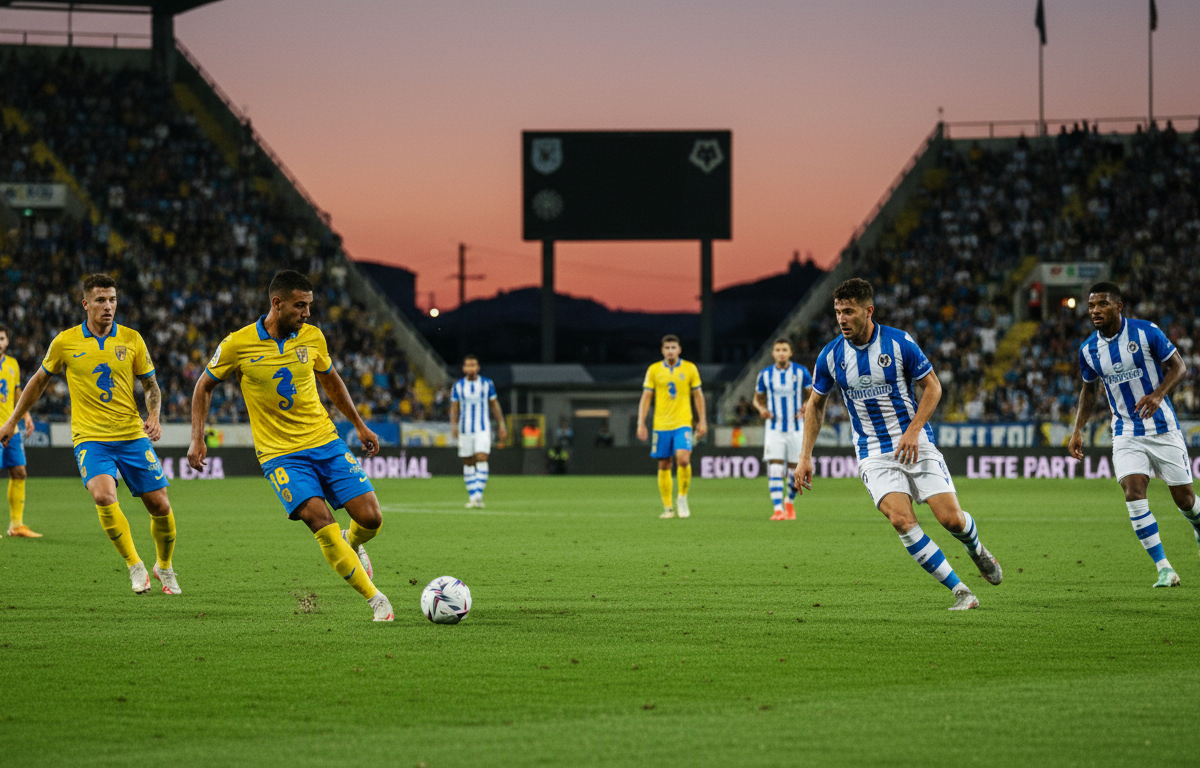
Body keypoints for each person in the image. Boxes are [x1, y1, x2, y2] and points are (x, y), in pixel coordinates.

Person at [188, 270, 393, 621]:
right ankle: (376, 600)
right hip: (281, 455)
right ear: (277, 303)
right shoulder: (237, 344)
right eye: (300, 306)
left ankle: (353, 541)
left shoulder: (313, 337)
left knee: (371, 519)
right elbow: (203, 386)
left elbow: (331, 381)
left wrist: (359, 425)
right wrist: (197, 438)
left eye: (309, 306)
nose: (307, 313)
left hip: (325, 442)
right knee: (322, 523)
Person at [795, 278, 1002, 610]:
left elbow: (933, 388)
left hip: (915, 442)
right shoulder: (831, 356)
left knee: (951, 520)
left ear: (868, 311)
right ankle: (961, 591)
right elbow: (815, 405)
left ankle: (975, 548)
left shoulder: (898, 342)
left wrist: (913, 430)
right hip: (872, 452)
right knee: (901, 520)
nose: (842, 319)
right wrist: (804, 456)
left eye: (849, 311)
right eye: (838, 312)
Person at [0, 274, 180, 594]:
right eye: (100, 300)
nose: (108, 306)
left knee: (161, 506)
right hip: (91, 438)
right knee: (103, 496)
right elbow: (38, 382)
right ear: (86, 304)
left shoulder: (132, 339)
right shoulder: (65, 342)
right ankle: (135, 565)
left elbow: (151, 385)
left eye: (112, 300)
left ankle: (164, 567)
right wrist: (13, 420)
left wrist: (154, 415)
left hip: (131, 435)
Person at [1068, 282, 1198, 588]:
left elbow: (1179, 368)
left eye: (1102, 304)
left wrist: (1158, 395)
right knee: (1133, 492)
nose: (1095, 311)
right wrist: (1077, 429)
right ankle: (1164, 568)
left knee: (1185, 501)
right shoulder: (1088, 349)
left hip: (1163, 428)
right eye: (1091, 305)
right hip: (1126, 430)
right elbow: (1089, 391)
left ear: (1118, 306)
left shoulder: (1146, 332)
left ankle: (1197, 523)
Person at [637, 334, 707, 519]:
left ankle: (682, 498)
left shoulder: (690, 368)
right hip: (661, 424)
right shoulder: (654, 370)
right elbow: (646, 397)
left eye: (673, 347)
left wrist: (702, 420)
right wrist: (641, 422)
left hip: (683, 422)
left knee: (683, 458)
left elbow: (698, 395)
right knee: (664, 463)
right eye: (667, 348)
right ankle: (668, 508)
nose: (670, 351)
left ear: (679, 349)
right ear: (662, 350)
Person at [754, 338, 812, 521]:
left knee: (795, 470)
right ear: (773, 353)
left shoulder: (801, 372)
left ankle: (789, 501)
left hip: (796, 428)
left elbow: (812, 395)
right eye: (778, 350)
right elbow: (757, 398)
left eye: (784, 349)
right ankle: (778, 509)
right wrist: (761, 409)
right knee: (775, 468)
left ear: (790, 352)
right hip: (774, 428)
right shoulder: (765, 374)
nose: (781, 353)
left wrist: (806, 405)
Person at [449, 355, 507, 509]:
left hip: (482, 428)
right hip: (465, 429)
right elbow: (454, 408)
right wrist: (453, 426)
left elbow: (494, 405)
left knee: (481, 457)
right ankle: (473, 496)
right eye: (468, 365)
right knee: (468, 461)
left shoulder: (487, 384)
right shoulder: (458, 386)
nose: (471, 368)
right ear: (464, 368)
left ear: (478, 367)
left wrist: (501, 424)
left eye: (473, 365)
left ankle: (477, 496)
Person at [0, 326, 39, 537]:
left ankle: (16, 525)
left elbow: (17, 393)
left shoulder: (12, 364)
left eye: (1, 338)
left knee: (19, 472)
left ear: (7, 341)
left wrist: (26, 415)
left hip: (10, 427)